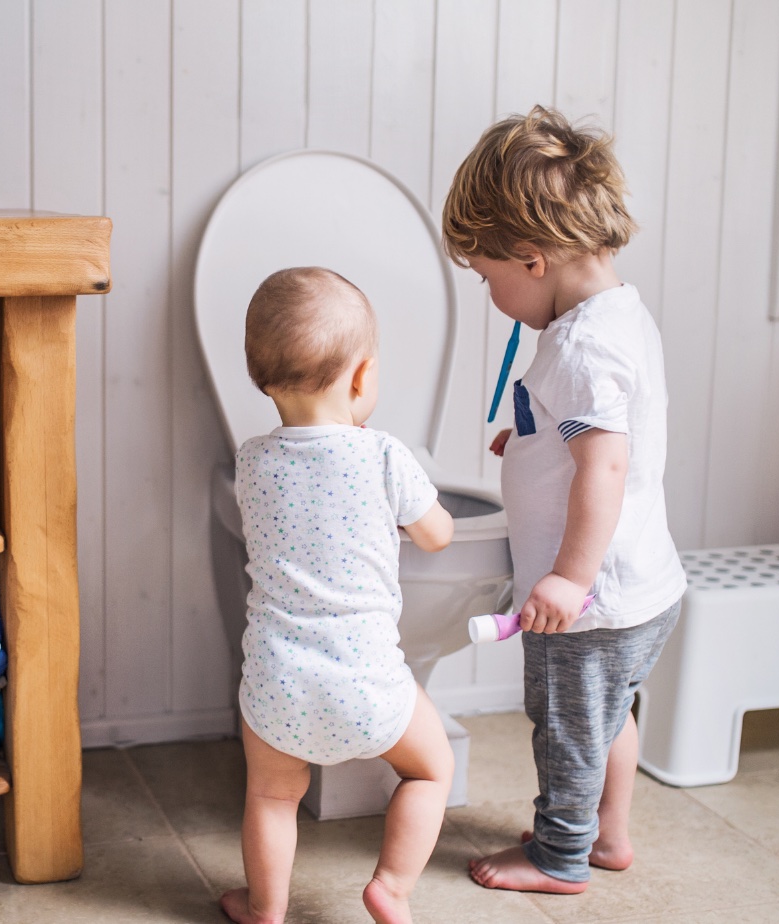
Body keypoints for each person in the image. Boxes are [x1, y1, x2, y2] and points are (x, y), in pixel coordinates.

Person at [441, 105, 687, 894]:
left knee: (570, 730)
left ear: (532, 259)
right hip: (643, 585)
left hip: (592, 597)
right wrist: (534, 438)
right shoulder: (614, 315)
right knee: (608, 716)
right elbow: (606, 436)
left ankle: (560, 856)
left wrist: (568, 579)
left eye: (487, 277)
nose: (490, 293)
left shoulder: (580, 346)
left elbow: (604, 468)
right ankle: (608, 834)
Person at [223, 267, 457, 924]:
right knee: (430, 769)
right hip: (367, 680)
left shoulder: (252, 461)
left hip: (278, 682)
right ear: (361, 378)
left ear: (262, 380)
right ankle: (391, 886)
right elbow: (437, 535)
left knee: (271, 797)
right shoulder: (384, 456)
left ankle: (265, 910)